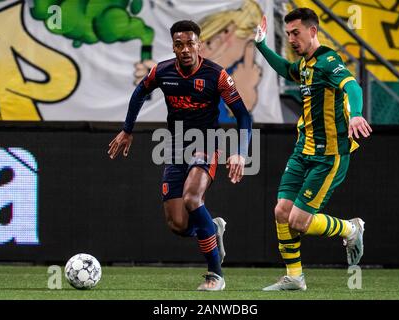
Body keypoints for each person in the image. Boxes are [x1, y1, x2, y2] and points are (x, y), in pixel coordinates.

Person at [108, 20, 252, 291]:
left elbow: (243, 114)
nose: (185, 49)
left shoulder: (216, 75)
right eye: (179, 44)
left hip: (206, 143)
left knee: (191, 197)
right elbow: (140, 92)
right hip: (175, 148)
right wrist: (127, 130)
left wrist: (241, 153)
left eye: (190, 43)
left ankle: (215, 275)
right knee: (178, 224)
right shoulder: (162, 72)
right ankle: (211, 226)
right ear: (173, 47)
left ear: (199, 45)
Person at [254, 8, 372, 291]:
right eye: (289, 34)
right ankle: (294, 278)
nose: (292, 39)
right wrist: (261, 45)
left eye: (296, 33)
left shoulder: (328, 61)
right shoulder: (306, 64)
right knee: (282, 211)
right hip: (302, 150)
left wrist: (356, 113)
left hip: (328, 156)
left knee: (298, 222)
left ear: (313, 31)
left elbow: (352, 86)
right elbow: (286, 69)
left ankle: (350, 228)